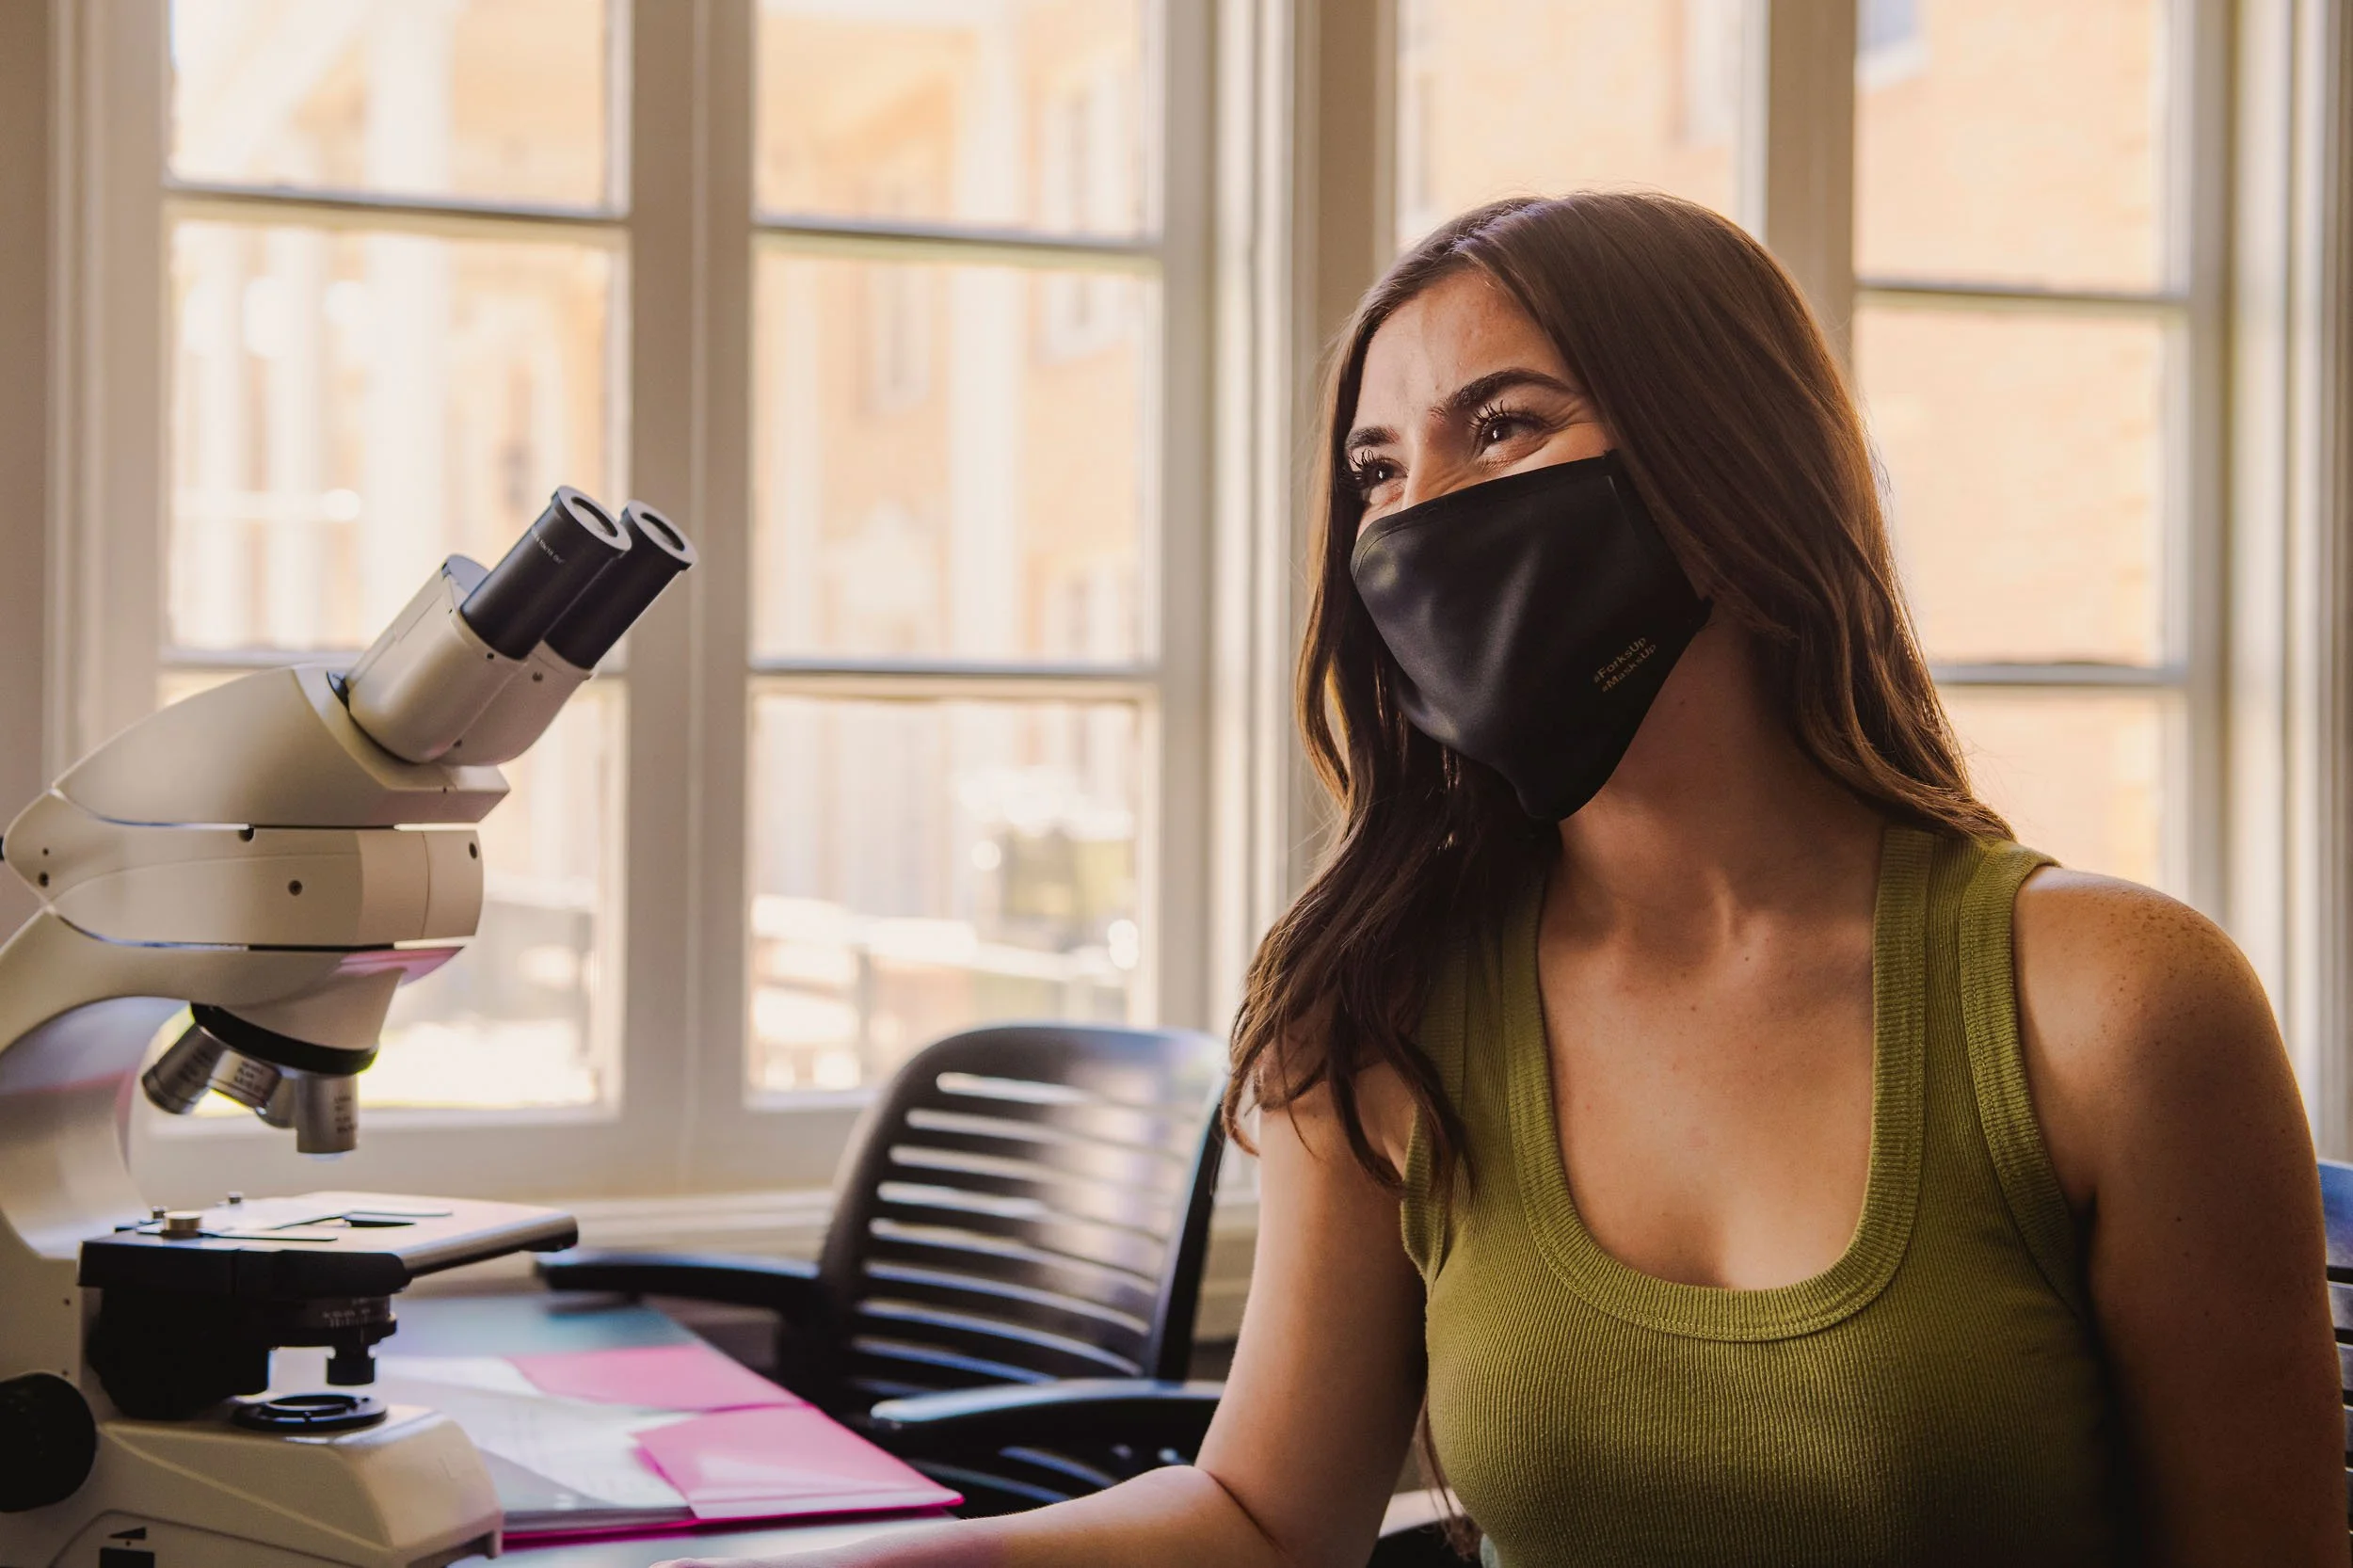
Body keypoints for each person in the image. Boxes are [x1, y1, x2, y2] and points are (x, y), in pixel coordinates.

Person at [661, 192, 2344, 1567]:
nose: (1412, 525)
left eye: (1505, 427)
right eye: (1380, 470)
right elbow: (1262, 1511)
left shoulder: (2113, 1000)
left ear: (1726, 475)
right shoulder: (1387, 1000)